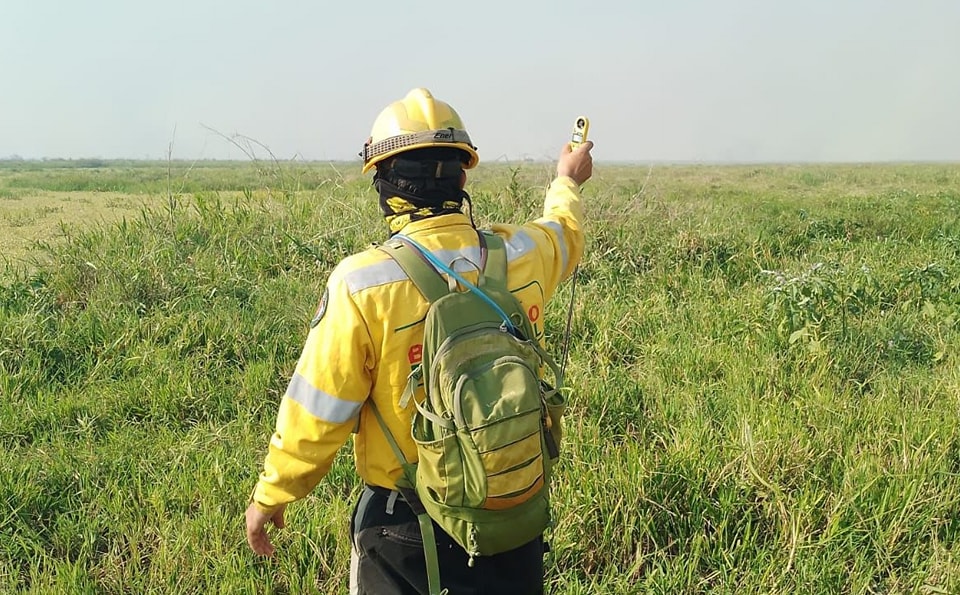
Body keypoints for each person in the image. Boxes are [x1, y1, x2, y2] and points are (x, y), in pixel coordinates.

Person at [245, 87, 594, 594]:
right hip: (513, 509)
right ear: (463, 175)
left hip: (406, 530)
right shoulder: (522, 254)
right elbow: (564, 230)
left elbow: (319, 412)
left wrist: (272, 495)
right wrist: (566, 179)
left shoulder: (362, 284)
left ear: (384, 184)